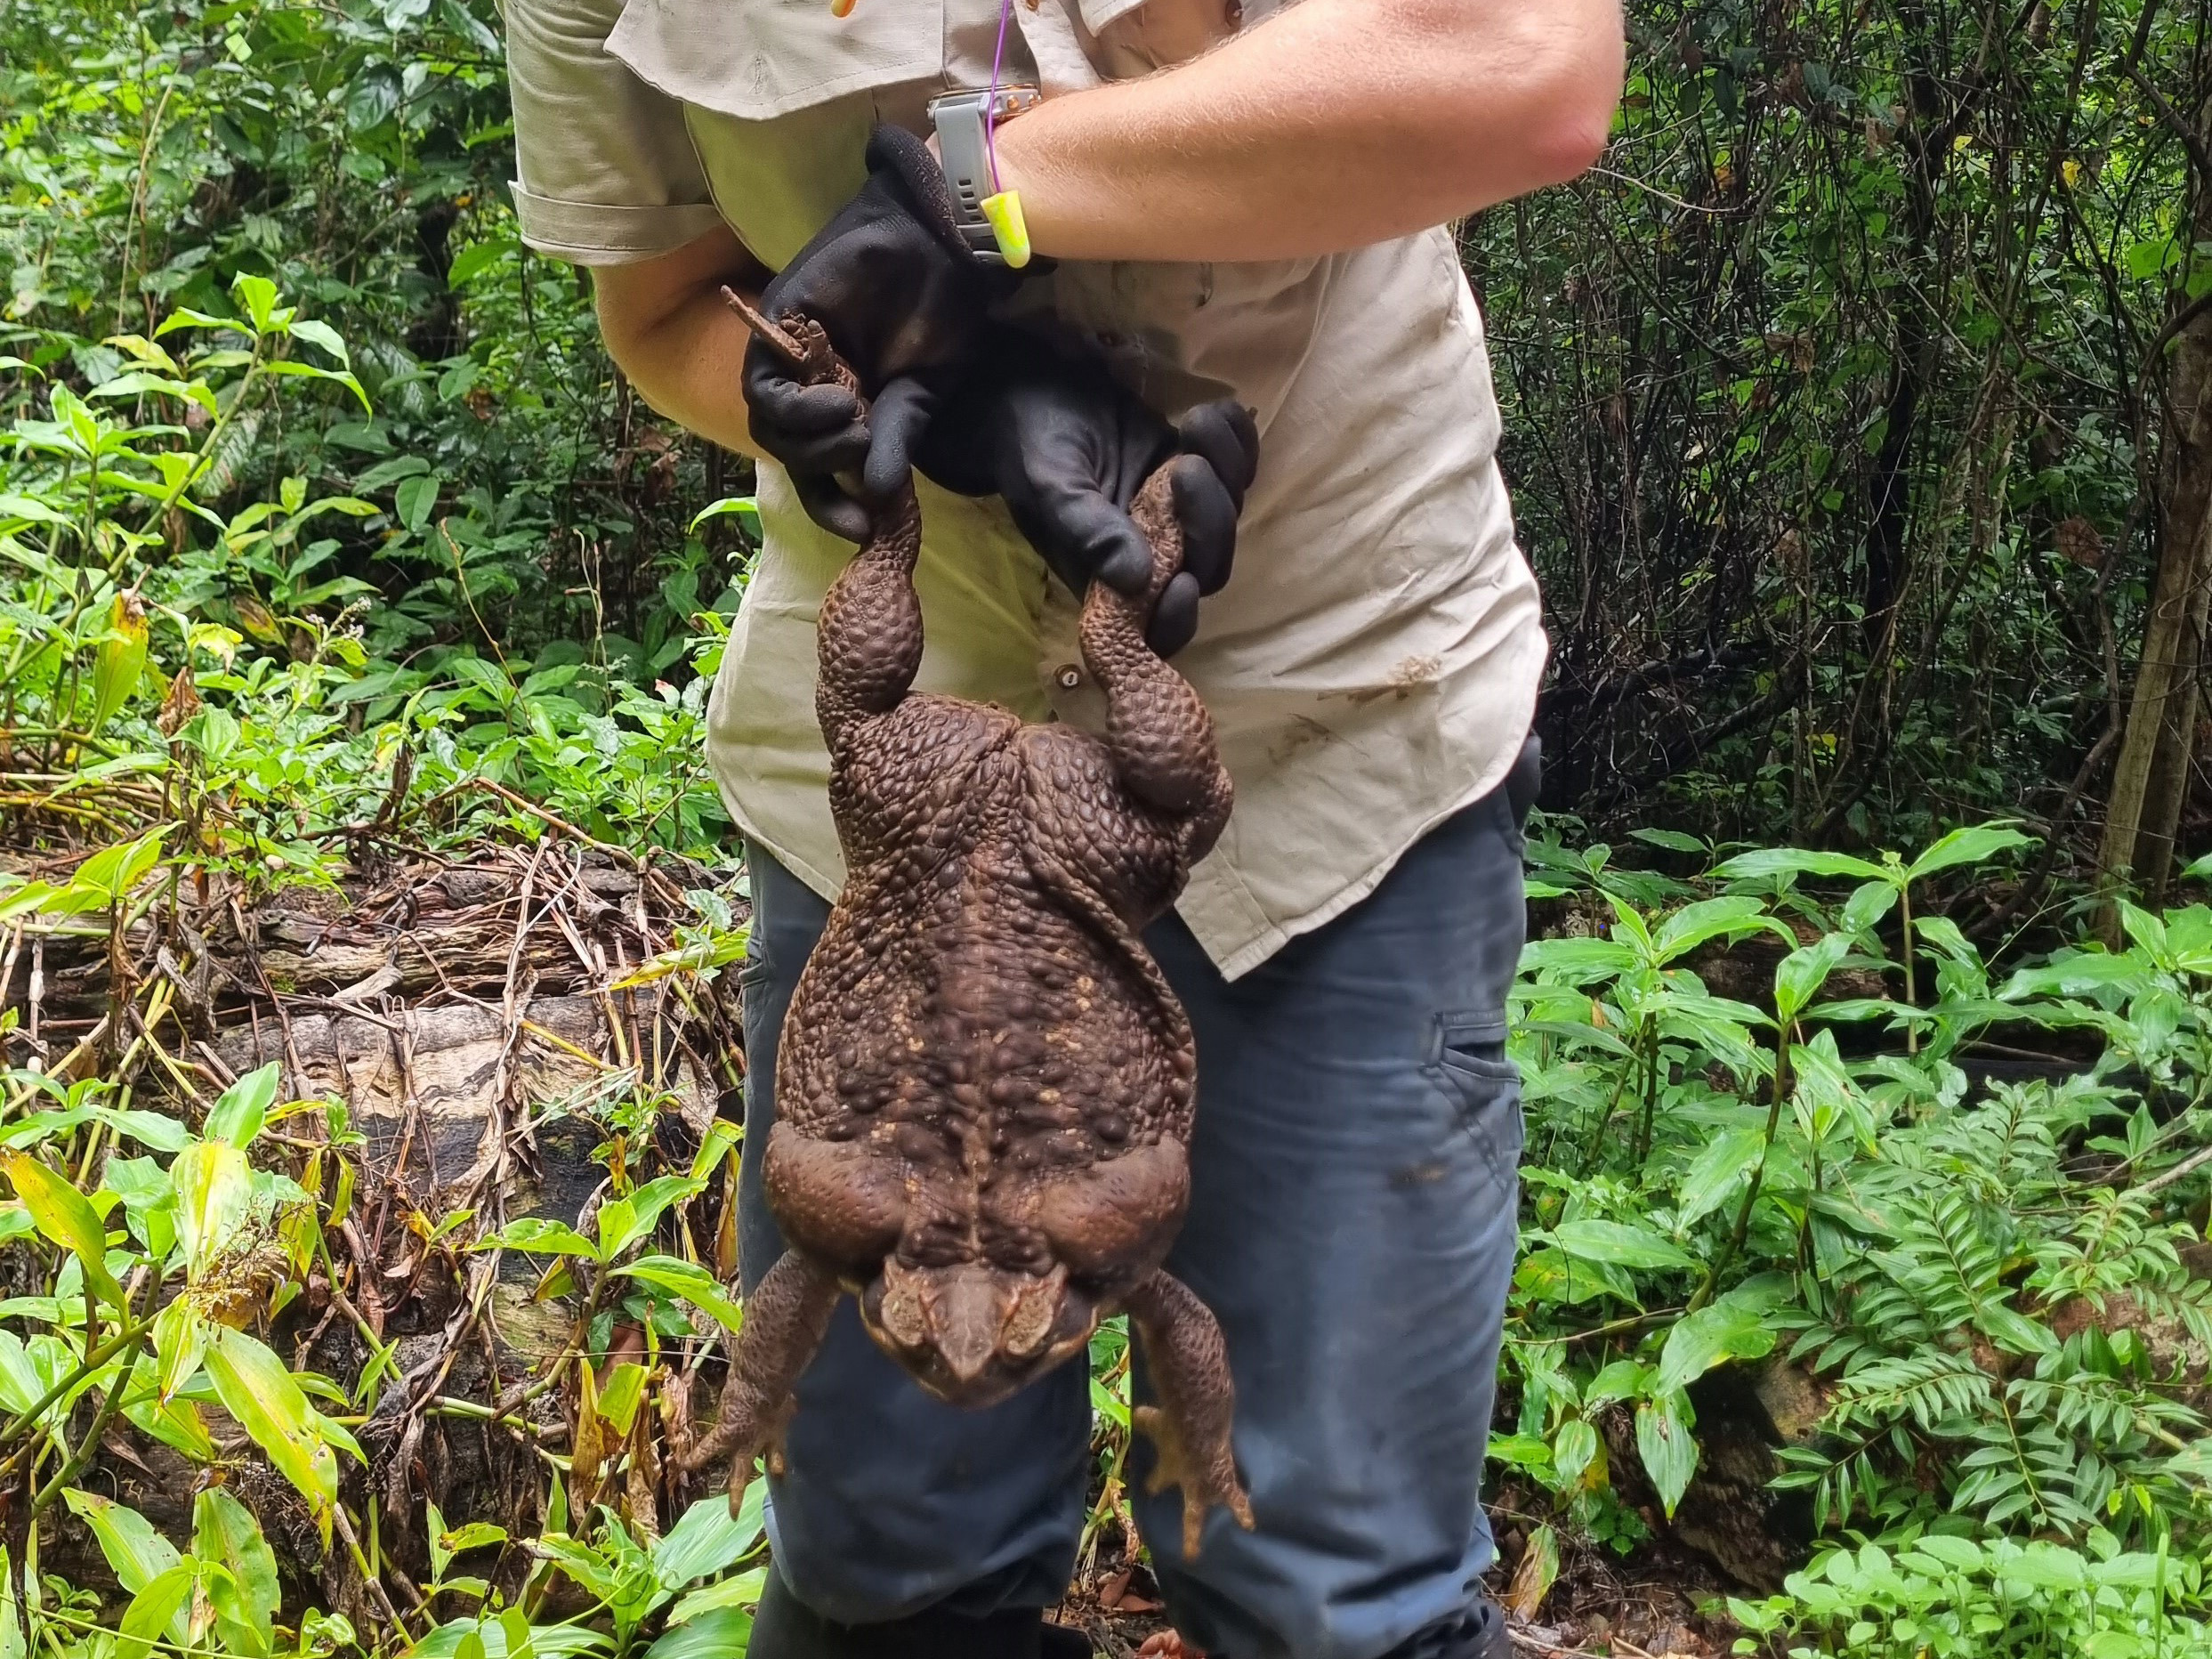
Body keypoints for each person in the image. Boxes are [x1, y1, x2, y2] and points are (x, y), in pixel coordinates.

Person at [504, 3, 1622, 1655]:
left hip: (1329, 723)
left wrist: (982, 189)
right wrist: (841, 411)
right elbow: (662, 306)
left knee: (1338, 1592)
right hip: (896, 790)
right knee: (887, 1574)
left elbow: (1520, 72)